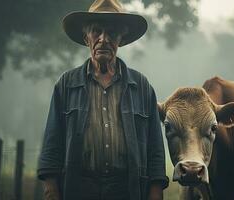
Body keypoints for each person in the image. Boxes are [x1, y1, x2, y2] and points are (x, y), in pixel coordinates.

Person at [37, 0, 168, 199]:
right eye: (96, 31)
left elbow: (155, 148)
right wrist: (51, 188)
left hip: (127, 188)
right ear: (86, 38)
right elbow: (52, 142)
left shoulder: (141, 86)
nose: (104, 39)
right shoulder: (66, 84)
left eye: (112, 33)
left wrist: (156, 190)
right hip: (79, 187)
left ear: (121, 40)